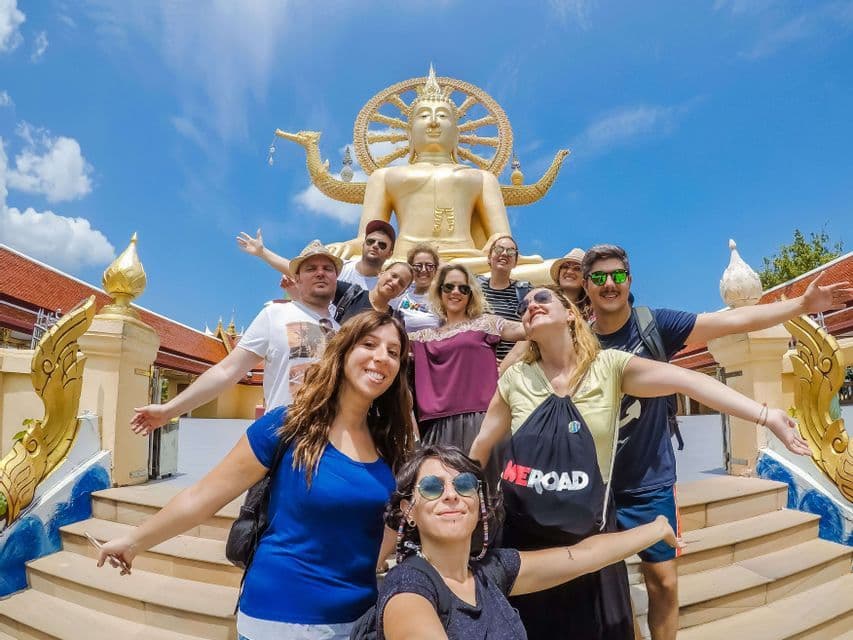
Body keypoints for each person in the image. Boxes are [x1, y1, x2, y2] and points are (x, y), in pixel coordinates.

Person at [469, 286, 811, 639]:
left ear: (571, 314)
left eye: (542, 299)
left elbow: (689, 381)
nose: (531, 306)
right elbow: (482, 444)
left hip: (589, 544)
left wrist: (766, 415)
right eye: (524, 306)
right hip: (523, 545)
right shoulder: (514, 380)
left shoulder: (610, 368)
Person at [581, 244, 853, 640]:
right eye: (600, 277)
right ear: (586, 286)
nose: (610, 284)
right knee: (608, 590)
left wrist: (799, 305)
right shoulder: (577, 342)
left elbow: (733, 321)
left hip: (649, 481)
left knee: (664, 583)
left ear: (630, 280)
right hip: (598, 486)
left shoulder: (654, 325)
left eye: (618, 275)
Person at [99, 312, 417, 640]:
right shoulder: (288, 427)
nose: (382, 357)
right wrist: (134, 542)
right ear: (343, 351)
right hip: (283, 619)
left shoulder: (388, 445)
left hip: (359, 619)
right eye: (369, 344)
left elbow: (386, 528)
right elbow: (203, 496)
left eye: (393, 352)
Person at [377, 444, 680, 640]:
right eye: (432, 487)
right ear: (410, 511)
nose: (451, 494)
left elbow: (583, 555)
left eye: (464, 484)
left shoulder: (489, 572)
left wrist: (655, 529)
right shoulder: (409, 587)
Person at [130, 240, 341, 434]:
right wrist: (169, 410)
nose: (320, 273)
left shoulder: (343, 332)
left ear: (336, 278)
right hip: (286, 437)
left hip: (333, 441)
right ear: (297, 279)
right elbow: (227, 371)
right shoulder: (275, 314)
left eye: (327, 269)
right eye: (311, 269)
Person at [409, 264, 525, 483]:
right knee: (442, 492)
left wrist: (505, 369)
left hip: (482, 421)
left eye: (463, 288)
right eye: (449, 287)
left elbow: (529, 332)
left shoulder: (486, 323)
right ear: (439, 291)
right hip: (437, 426)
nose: (455, 292)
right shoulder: (423, 336)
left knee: (487, 492)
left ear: (471, 293)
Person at [237, 220, 395, 291]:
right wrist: (262, 252)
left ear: (390, 253)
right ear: (363, 245)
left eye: (382, 245)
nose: (375, 245)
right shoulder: (341, 268)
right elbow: (293, 268)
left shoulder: (387, 286)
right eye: (370, 241)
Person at [475, 234, 532, 363]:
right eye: (499, 249)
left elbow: (534, 330)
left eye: (511, 251)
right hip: (476, 363)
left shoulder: (525, 291)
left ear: (516, 262)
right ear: (489, 257)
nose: (505, 254)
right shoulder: (474, 289)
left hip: (513, 367)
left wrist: (509, 362)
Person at [335, 260, 414, 325]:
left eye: (401, 283)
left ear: (402, 292)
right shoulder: (350, 293)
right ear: (381, 274)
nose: (395, 282)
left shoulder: (396, 321)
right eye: (393, 275)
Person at [393, 243, 441, 331]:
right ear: (411, 269)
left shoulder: (443, 296)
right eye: (418, 266)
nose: (423, 270)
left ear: (436, 269)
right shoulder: (400, 295)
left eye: (429, 266)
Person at [550, 247, 591, 319]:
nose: (569, 272)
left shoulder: (593, 312)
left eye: (577, 268)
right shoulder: (543, 299)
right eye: (565, 267)